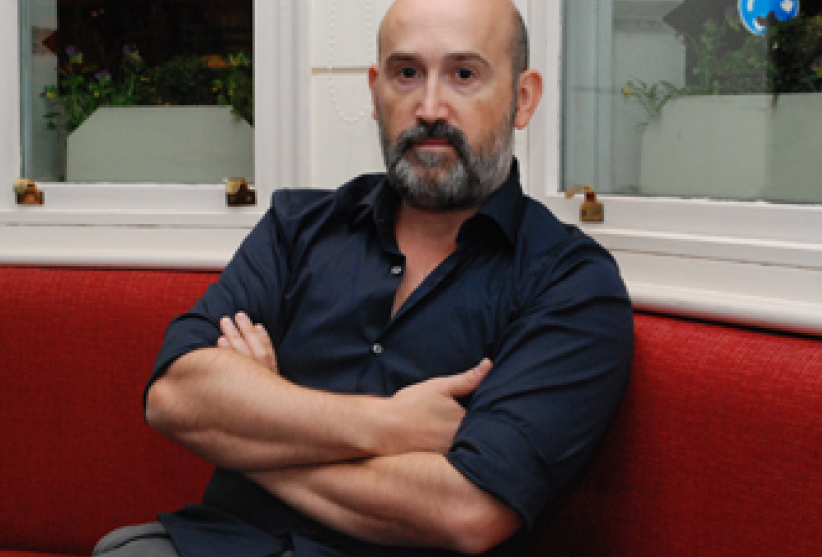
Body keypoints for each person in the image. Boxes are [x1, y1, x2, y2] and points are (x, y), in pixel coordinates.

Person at [95, 0, 633, 555]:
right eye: (407, 73)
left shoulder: (570, 283)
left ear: (524, 98)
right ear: (376, 92)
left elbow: (467, 511)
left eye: (464, 75)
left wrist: (253, 433)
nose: (430, 108)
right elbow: (175, 397)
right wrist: (390, 424)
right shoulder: (297, 229)